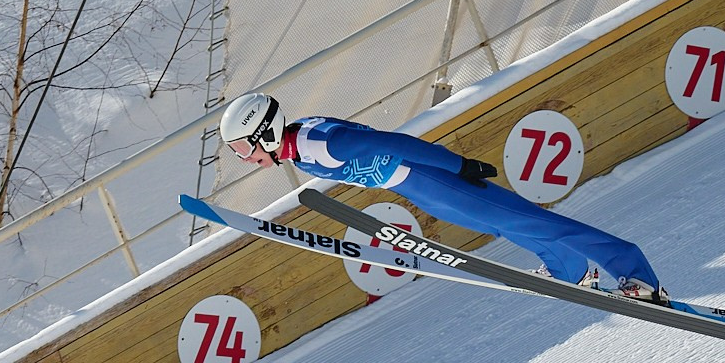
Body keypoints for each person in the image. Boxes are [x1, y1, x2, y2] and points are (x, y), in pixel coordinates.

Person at [219, 91, 669, 303]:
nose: (245, 158)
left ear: (265, 132)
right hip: (419, 189)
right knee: (504, 225)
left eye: (243, 148)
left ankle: (634, 271)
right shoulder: (300, 146)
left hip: (432, 179)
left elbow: (396, 145)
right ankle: (569, 270)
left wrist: (459, 166)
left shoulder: (323, 142)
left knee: (532, 222)